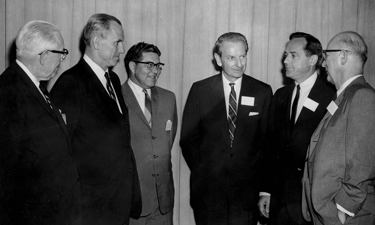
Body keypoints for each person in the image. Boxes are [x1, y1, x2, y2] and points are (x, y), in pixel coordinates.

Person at [51, 13, 141, 225]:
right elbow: (59, 154)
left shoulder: (113, 78)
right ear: (96, 41)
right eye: (117, 42)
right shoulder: (71, 83)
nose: (122, 50)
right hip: (91, 208)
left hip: (118, 202)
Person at [180, 32, 273, 225]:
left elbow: (266, 144)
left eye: (242, 56)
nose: (239, 64)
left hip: (246, 195)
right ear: (218, 59)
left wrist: (264, 189)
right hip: (208, 193)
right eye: (231, 57)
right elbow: (188, 140)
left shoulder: (262, 92)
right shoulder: (200, 90)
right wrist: (207, 171)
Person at [0, 20, 81, 224]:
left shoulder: (33, 86)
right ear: (44, 56)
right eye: (61, 53)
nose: (62, 60)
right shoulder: (9, 92)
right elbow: (6, 177)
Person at [258, 32, 335, 225]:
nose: (285, 60)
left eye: (293, 55)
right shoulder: (281, 95)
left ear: (313, 60)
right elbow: (270, 146)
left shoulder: (331, 97)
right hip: (278, 202)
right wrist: (266, 190)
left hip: (311, 202)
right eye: (286, 55)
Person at [302, 31, 375, 225]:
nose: (323, 64)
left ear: (342, 56)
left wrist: (342, 210)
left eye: (326, 57)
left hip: (348, 217)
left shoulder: (362, 96)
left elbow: (362, 164)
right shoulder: (345, 96)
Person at [122, 42, 177, 225]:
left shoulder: (169, 98)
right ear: (132, 66)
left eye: (158, 65)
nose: (155, 71)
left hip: (163, 202)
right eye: (149, 65)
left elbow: (167, 142)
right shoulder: (115, 98)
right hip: (131, 202)